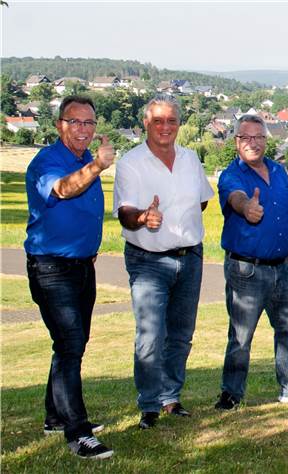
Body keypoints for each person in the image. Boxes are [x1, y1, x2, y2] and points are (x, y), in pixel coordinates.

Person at [113, 94, 214, 429]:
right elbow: (124, 213)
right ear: (146, 123)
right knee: (150, 335)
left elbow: (200, 202)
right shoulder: (131, 163)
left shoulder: (190, 159)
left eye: (171, 120)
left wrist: (178, 229)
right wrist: (144, 217)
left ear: (178, 124)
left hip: (190, 257)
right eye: (158, 121)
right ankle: (149, 404)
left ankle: (171, 397)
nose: (165, 127)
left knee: (181, 335)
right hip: (148, 261)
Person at [24, 96, 114, 459]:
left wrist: (90, 165)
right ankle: (78, 432)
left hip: (82, 267)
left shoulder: (80, 160)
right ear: (60, 125)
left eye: (88, 123)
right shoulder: (48, 161)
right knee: (70, 343)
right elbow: (62, 189)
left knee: (71, 343)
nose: (82, 129)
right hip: (51, 267)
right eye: (74, 122)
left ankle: (55, 417)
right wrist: (96, 167)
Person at [213, 114, 288, 410]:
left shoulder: (279, 171)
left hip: (281, 268)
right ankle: (231, 393)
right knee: (241, 336)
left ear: (265, 140)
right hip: (246, 269)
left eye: (258, 137)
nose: (252, 143)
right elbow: (235, 198)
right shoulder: (231, 175)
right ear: (236, 142)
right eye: (245, 137)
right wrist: (246, 206)